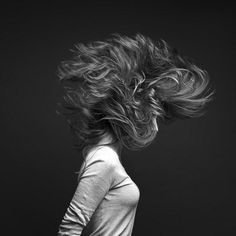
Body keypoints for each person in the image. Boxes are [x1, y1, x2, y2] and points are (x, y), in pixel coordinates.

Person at [56, 33, 215, 235]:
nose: (155, 127)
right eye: (152, 116)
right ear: (130, 112)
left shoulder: (104, 156)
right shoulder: (104, 160)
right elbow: (69, 229)